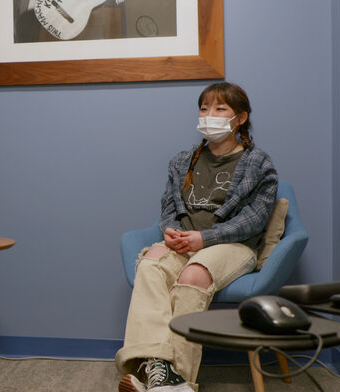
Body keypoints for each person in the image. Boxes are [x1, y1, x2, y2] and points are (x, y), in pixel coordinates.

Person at [115, 82, 278, 392]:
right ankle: (159, 369)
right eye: (204, 108)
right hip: (183, 242)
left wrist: (206, 239)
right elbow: (167, 207)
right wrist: (169, 231)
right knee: (150, 263)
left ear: (240, 118)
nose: (209, 115)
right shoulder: (182, 161)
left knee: (194, 275)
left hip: (233, 246)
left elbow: (254, 220)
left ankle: (180, 378)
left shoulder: (259, 164)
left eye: (220, 109)